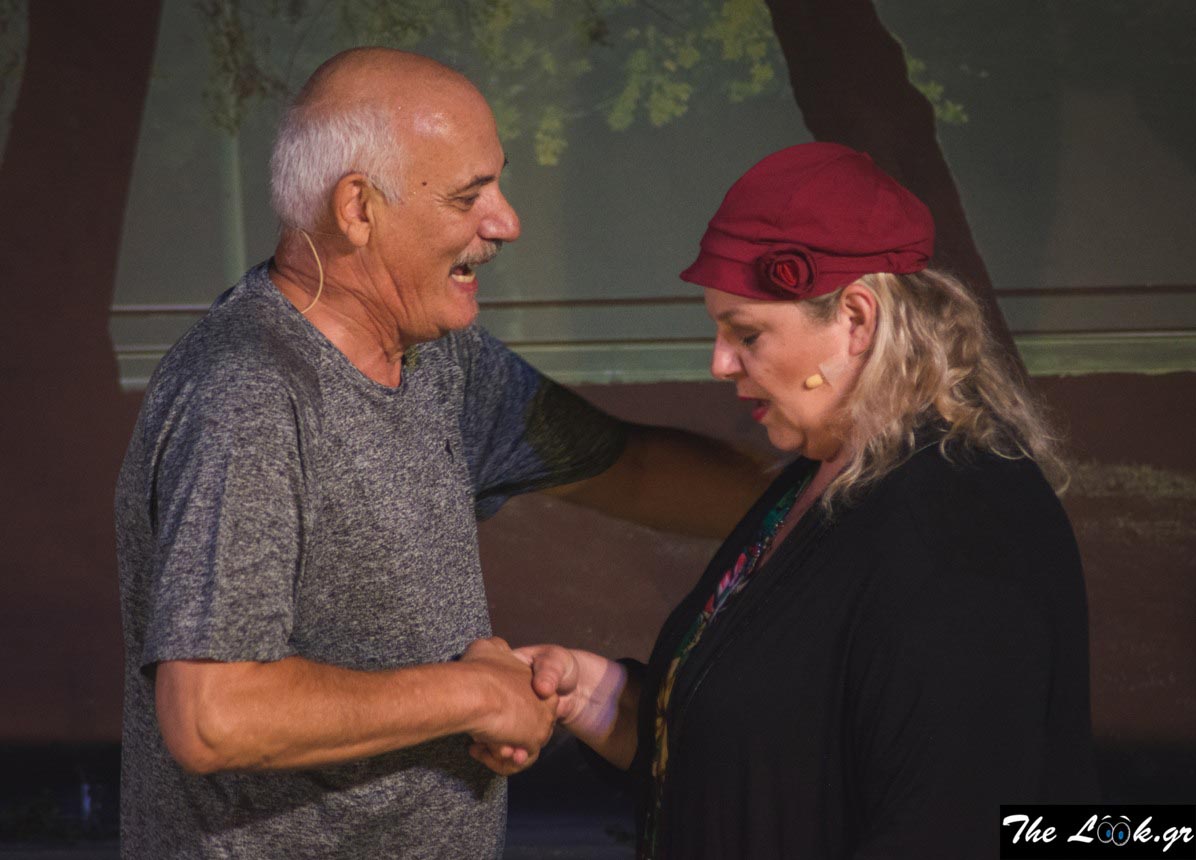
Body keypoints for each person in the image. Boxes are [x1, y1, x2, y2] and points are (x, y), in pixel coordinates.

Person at [114, 48, 766, 858]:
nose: (506, 222)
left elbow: (628, 468)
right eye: (468, 196)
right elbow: (211, 714)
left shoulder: (442, 359)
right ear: (358, 209)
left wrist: (830, 492)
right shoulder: (249, 393)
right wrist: (471, 695)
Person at [511, 143, 1099, 859]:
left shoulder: (964, 523)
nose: (719, 363)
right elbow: (755, 753)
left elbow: (953, 827)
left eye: (747, 333)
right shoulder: (818, 480)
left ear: (857, 320)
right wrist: (594, 695)